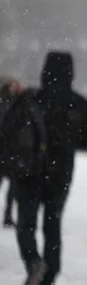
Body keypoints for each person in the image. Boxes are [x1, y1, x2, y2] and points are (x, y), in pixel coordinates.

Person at [4, 51, 87, 285]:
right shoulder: (80, 104)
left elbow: (10, 132)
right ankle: (49, 281)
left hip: (29, 171)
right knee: (52, 224)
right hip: (61, 172)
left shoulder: (31, 98)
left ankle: (34, 262)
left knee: (26, 224)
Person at [0, 78, 26, 227]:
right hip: (10, 152)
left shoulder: (12, 105)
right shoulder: (16, 106)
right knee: (13, 187)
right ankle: (8, 215)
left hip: (8, 151)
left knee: (12, 187)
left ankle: (8, 214)